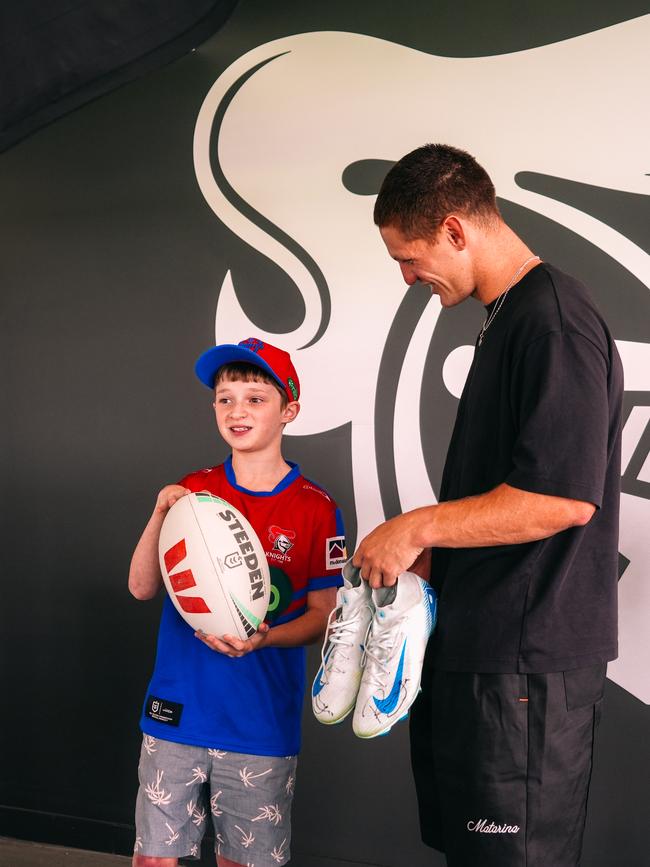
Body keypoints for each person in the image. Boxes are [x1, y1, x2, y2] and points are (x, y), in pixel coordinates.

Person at [353, 144, 623, 867]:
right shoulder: (507, 317)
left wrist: (414, 527)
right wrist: (429, 559)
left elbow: (563, 499)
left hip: (524, 670)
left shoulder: (552, 320)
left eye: (409, 259)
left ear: (454, 229)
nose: (410, 278)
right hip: (484, 659)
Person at [128, 337, 345, 867]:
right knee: (154, 859)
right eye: (225, 399)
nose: (237, 410)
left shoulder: (317, 509)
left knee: (244, 863)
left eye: (255, 398)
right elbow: (140, 587)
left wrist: (265, 637)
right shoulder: (192, 493)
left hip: (258, 720)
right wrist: (159, 514)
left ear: (288, 410)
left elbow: (323, 616)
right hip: (177, 710)